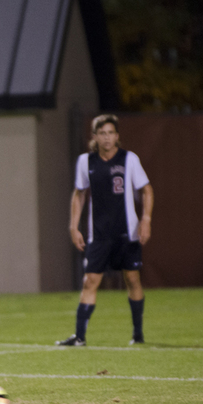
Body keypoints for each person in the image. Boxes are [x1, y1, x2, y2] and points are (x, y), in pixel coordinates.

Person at [57, 114, 154, 347]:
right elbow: (79, 194)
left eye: (111, 133)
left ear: (117, 136)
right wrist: (73, 226)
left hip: (127, 233)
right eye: (102, 133)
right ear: (95, 137)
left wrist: (146, 219)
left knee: (132, 279)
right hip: (98, 234)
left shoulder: (129, 159)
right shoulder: (86, 162)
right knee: (90, 281)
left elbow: (147, 190)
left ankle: (138, 334)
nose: (107, 137)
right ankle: (79, 337)